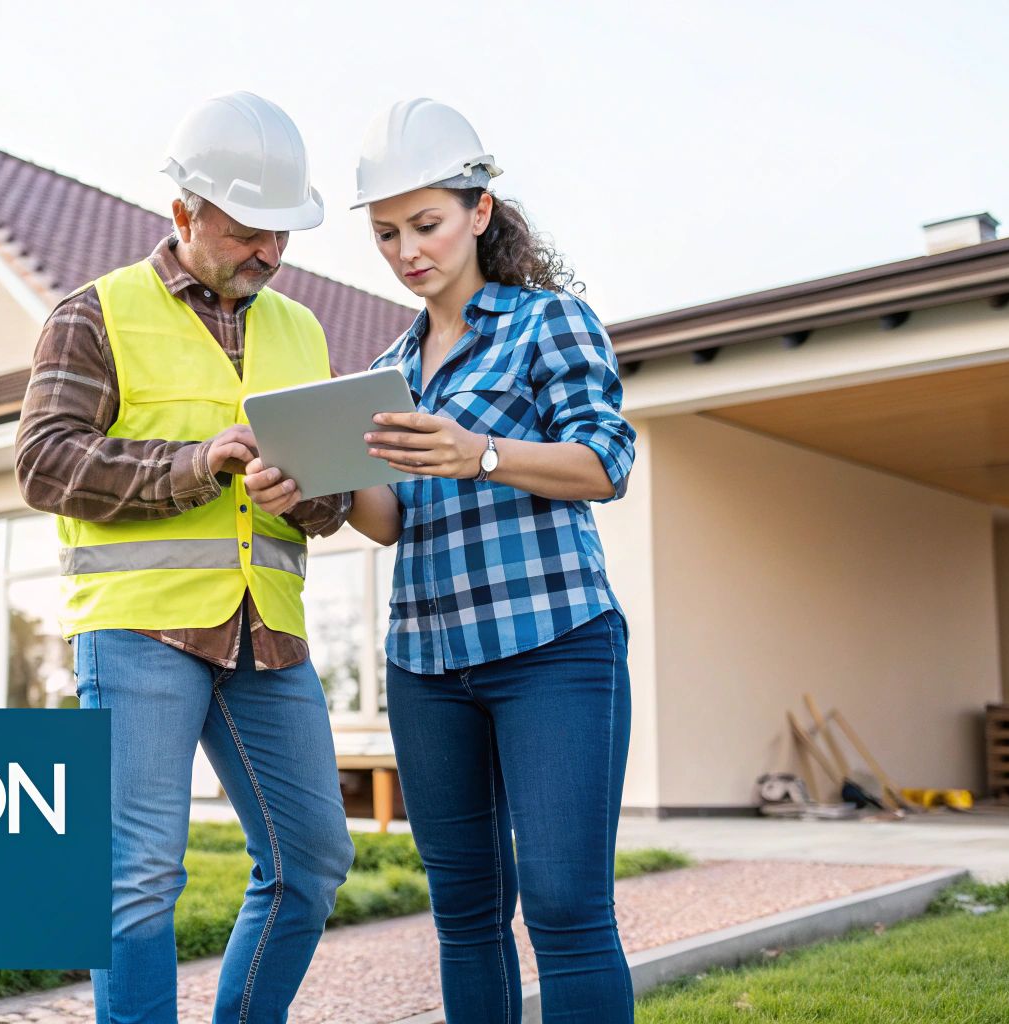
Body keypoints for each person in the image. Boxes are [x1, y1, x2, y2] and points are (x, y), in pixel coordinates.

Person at [245, 98, 638, 1024]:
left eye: (426, 224)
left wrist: (484, 452)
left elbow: (606, 463)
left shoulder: (550, 324)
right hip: (427, 662)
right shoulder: (390, 366)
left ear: (481, 212)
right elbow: (385, 517)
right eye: (386, 234)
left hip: (553, 645)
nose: (407, 250)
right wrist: (304, 488)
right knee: (464, 915)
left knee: (565, 906)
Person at [14, 91, 356, 1024]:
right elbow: (43, 464)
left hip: (269, 638)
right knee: (135, 877)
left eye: (284, 235)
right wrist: (193, 465)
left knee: (314, 860)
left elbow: (328, 496)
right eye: (252, 231)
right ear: (184, 213)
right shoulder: (94, 315)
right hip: (140, 632)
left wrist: (308, 495)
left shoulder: (303, 330)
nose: (273, 254)